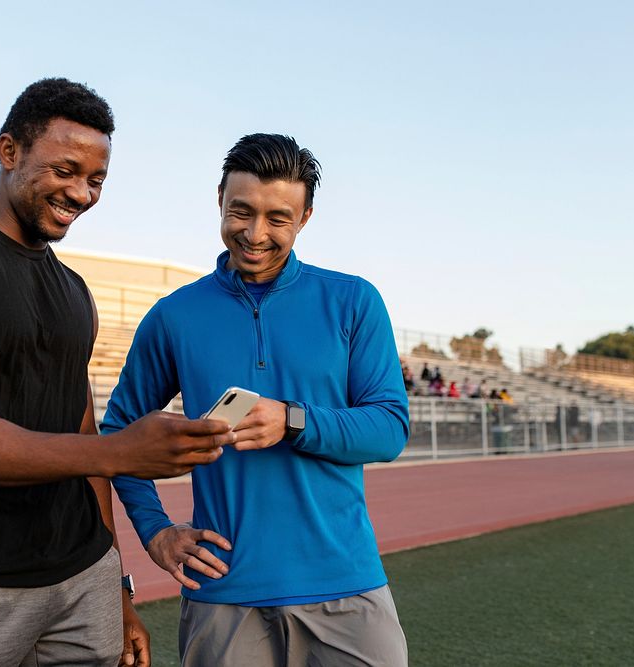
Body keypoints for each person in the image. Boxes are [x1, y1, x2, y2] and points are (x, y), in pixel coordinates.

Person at [0, 78, 234, 667]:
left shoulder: (74, 290)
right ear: (8, 151)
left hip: (82, 576)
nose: (82, 193)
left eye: (96, 180)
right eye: (65, 171)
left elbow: (84, 434)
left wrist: (116, 585)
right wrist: (120, 454)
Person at [102, 134, 410, 665]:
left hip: (346, 585)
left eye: (277, 218)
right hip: (224, 594)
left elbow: (388, 428)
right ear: (219, 197)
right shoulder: (175, 315)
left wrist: (293, 420)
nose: (255, 233)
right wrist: (155, 532)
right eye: (240, 211)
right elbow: (116, 436)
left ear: (306, 217)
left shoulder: (353, 300)